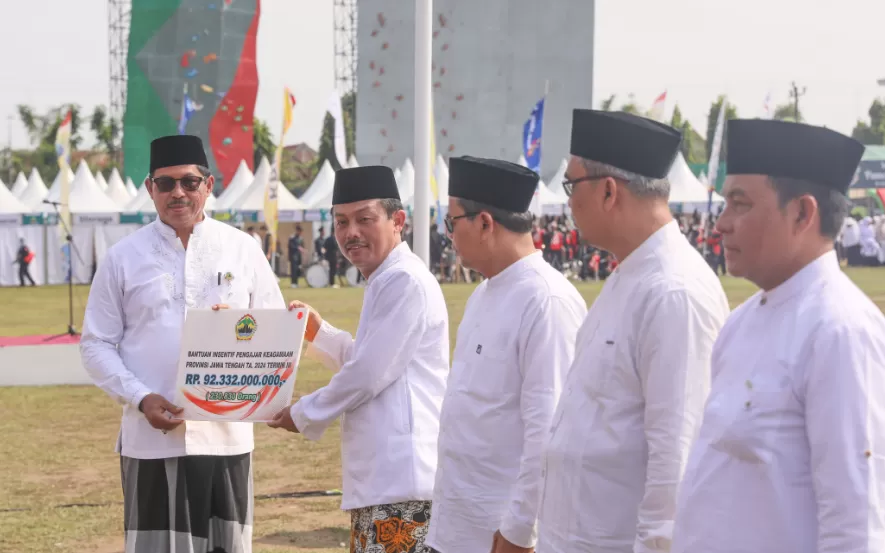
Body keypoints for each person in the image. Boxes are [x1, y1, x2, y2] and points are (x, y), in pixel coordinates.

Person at [671, 119, 885, 553]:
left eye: (740, 204)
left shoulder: (840, 330)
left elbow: (854, 524)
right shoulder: (741, 322)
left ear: (803, 213)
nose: (721, 224)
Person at [79, 135, 285, 553]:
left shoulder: (243, 250)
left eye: (190, 182)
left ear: (208, 185)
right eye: (166, 183)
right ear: (149, 188)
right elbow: (96, 344)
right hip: (151, 439)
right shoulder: (124, 257)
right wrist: (140, 398)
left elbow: (272, 332)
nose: (179, 193)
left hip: (227, 434)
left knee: (226, 545)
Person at [537, 110, 730, 553]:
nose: (567, 202)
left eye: (572, 185)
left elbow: (676, 465)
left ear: (608, 190)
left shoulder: (674, 293)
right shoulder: (630, 277)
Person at [268, 165, 450, 553]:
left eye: (364, 219)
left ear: (397, 220)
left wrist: (301, 413)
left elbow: (368, 375)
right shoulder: (385, 279)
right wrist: (321, 332)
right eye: (341, 222)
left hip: (403, 485)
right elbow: (373, 361)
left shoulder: (404, 280)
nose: (351, 233)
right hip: (385, 481)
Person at [426, 157, 586, 553]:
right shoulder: (484, 292)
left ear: (484, 222)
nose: (448, 236)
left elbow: (548, 432)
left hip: (500, 534)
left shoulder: (546, 301)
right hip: (454, 524)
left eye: (452, 223)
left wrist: (519, 531)